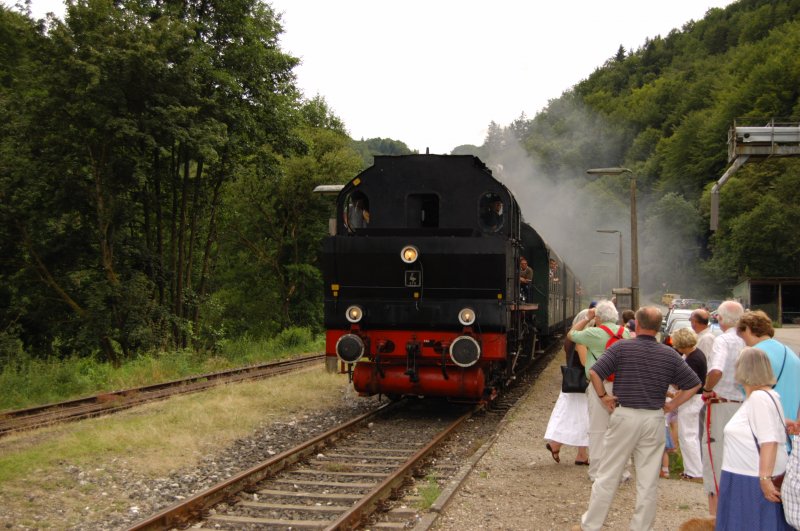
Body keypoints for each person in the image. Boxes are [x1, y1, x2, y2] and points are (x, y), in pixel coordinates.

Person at [575, 307, 702, 531]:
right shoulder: (669, 354)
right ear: (657, 327)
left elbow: (595, 372)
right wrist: (673, 404)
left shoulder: (622, 347)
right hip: (653, 418)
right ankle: (641, 527)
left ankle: (591, 525)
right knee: (648, 480)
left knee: (608, 474)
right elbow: (694, 383)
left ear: (638, 324)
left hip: (625, 415)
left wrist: (604, 396)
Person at [715, 347, 792, 530]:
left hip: (749, 477)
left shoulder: (759, 398)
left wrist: (764, 479)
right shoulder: (768, 396)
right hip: (745, 474)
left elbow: (769, 441)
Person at [567, 299, 630, 482]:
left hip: (599, 386)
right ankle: (623, 472)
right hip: (622, 387)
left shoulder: (594, 333)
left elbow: (572, 334)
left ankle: (597, 472)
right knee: (621, 430)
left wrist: (588, 317)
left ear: (599, 317)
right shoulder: (625, 333)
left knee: (597, 430)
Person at [701, 299, 745, 516]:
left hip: (721, 404)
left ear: (720, 318)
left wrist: (707, 389)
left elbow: (716, 370)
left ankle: (717, 515)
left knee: (714, 456)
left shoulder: (724, 341)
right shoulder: (748, 340)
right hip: (744, 405)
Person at [544, 310, 591, 466]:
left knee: (575, 417)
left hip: (573, 383)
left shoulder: (570, 339)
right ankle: (565, 447)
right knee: (583, 417)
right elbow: (585, 363)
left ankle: (580, 453)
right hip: (580, 383)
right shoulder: (581, 341)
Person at [736, 310, 800, 423]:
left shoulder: (753, 355)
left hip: (766, 423)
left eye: (741, 335)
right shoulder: (790, 353)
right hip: (791, 424)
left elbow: (749, 391)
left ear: (747, 329)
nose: (743, 340)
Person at [671, 327, 707, 481]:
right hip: (695, 398)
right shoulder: (696, 354)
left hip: (692, 399)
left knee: (688, 435)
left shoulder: (692, 359)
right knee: (689, 434)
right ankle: (691, 469)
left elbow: (687, 383)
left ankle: (694, 471)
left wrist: (675, 384)